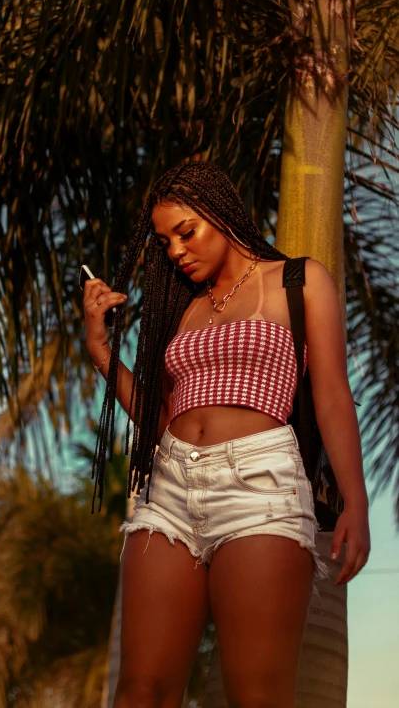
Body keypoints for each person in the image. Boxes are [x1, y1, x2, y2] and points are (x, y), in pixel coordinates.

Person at [82, 161, 370, 708]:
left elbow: (332, 394)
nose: (175, 251)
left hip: (260, 484)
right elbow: (161, 419)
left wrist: (355, 500)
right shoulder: (182, 309)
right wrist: (102, 353)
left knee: (257, 694)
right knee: (140, 692)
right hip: (169, 485)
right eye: (164, 241)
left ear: (220, 213)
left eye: (185, 232)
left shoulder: (299, 281)